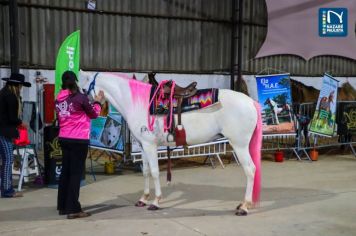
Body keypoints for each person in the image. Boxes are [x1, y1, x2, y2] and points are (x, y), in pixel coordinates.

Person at [55, 71, 104, 219]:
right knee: (76, 174)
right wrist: (98, 102)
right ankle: (73, 208)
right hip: (78, 140)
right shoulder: (81, 98)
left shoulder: (58, 99)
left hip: (64, 138)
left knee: (66, 173)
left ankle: (63, 206)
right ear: (75, 81)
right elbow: (94, 114)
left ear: (62, 83)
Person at [0, 73, 31, 198]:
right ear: (17, 85)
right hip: (3, 132)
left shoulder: (2, 93)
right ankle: (7, 190)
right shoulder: (11, 97)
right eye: (21, 86)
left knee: (5, 159)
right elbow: (12, 118)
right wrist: (21, 123)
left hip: (2, 130)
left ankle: (5, 187)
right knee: (8, 159)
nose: (21, 88)